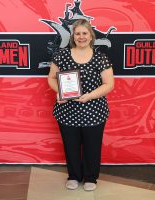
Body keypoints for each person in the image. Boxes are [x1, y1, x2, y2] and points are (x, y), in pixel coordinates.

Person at [47, 19, 114, 191]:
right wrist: (58, 92)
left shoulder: (100, 57)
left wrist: (89, 96)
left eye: (85, 33)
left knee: (92, 146)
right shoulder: (61, 56)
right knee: (71, 145)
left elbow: (109, 84)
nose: (81, 37)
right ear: (73, 36)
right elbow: (51, 78)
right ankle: (74, 176)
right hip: (67, 111)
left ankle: (91, 177)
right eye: (77, 33)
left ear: (91, 36)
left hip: (94, 111)